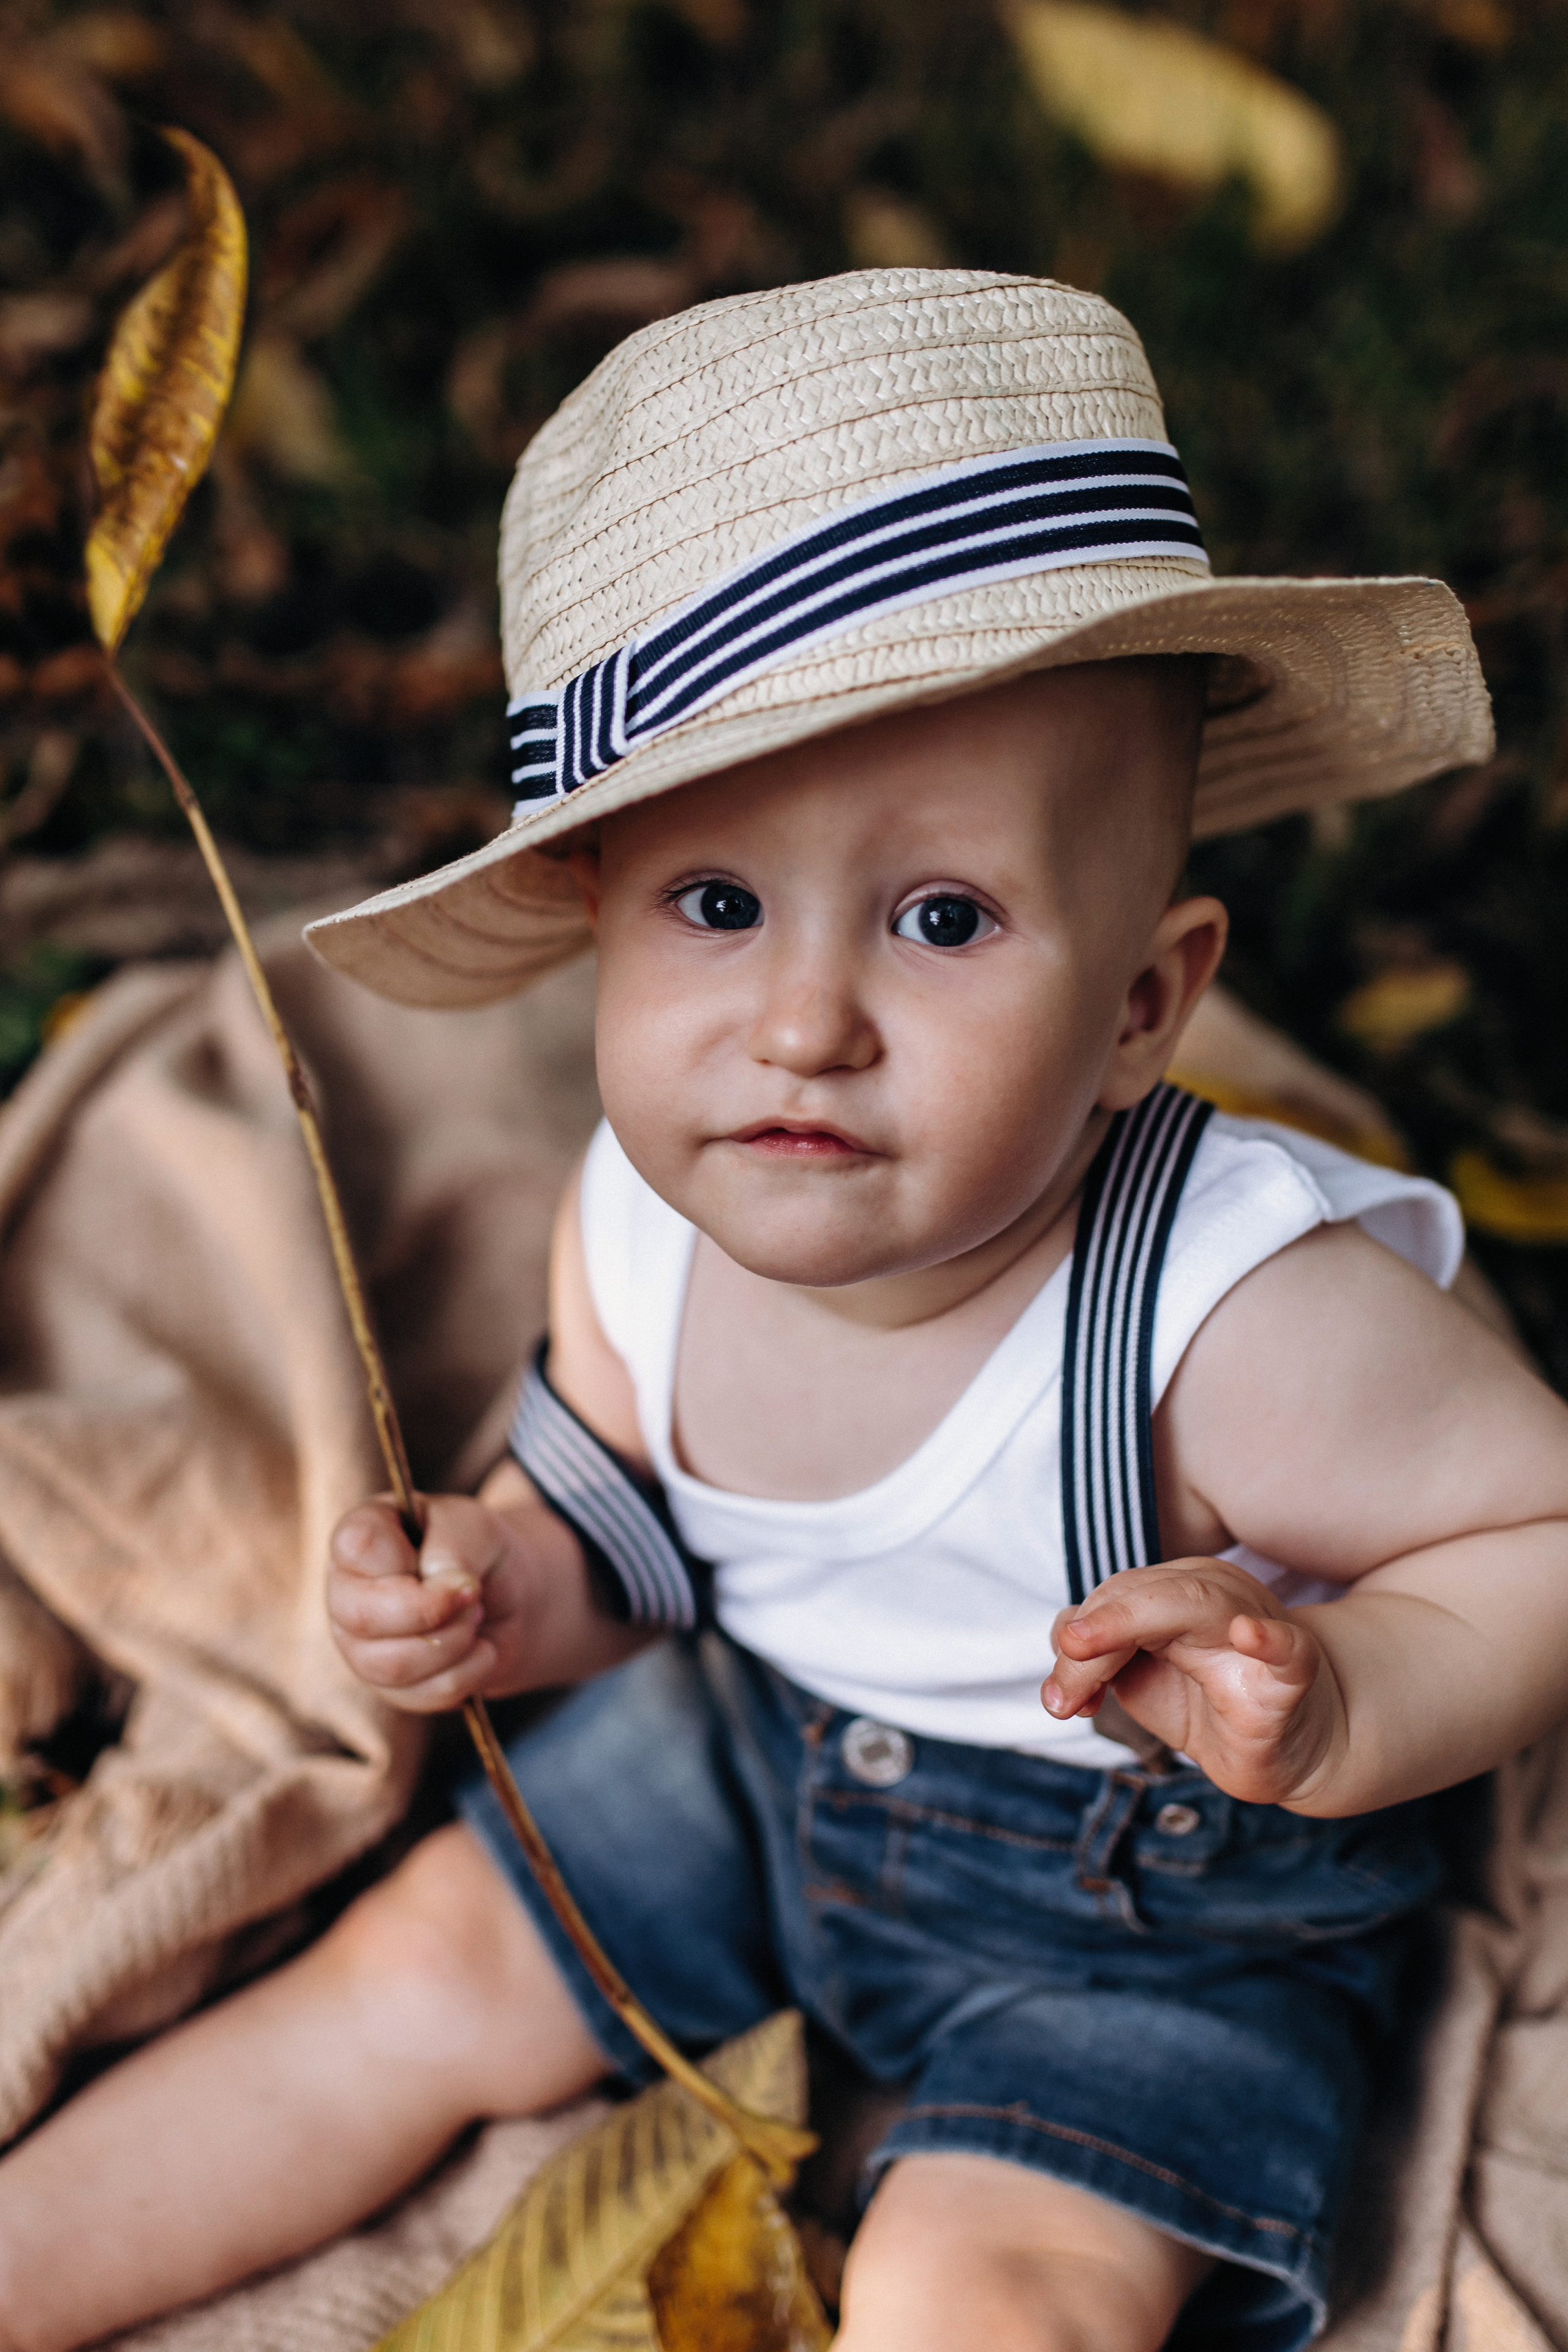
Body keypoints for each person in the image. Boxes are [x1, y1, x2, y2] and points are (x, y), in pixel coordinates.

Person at [2, 270, 1564, 2352]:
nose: (803, 1024)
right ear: (596, 926)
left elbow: (1539, 1533)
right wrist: (501, 1587)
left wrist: (1351, 1688)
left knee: (981, 2285)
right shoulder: (637, 1225)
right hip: (748, 1756)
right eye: (717, 906)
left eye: (940, 920)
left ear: (1142, 1005)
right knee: (400, 1986)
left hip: (1133, 1924)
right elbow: (636, 1533)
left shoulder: (1234, 1311)